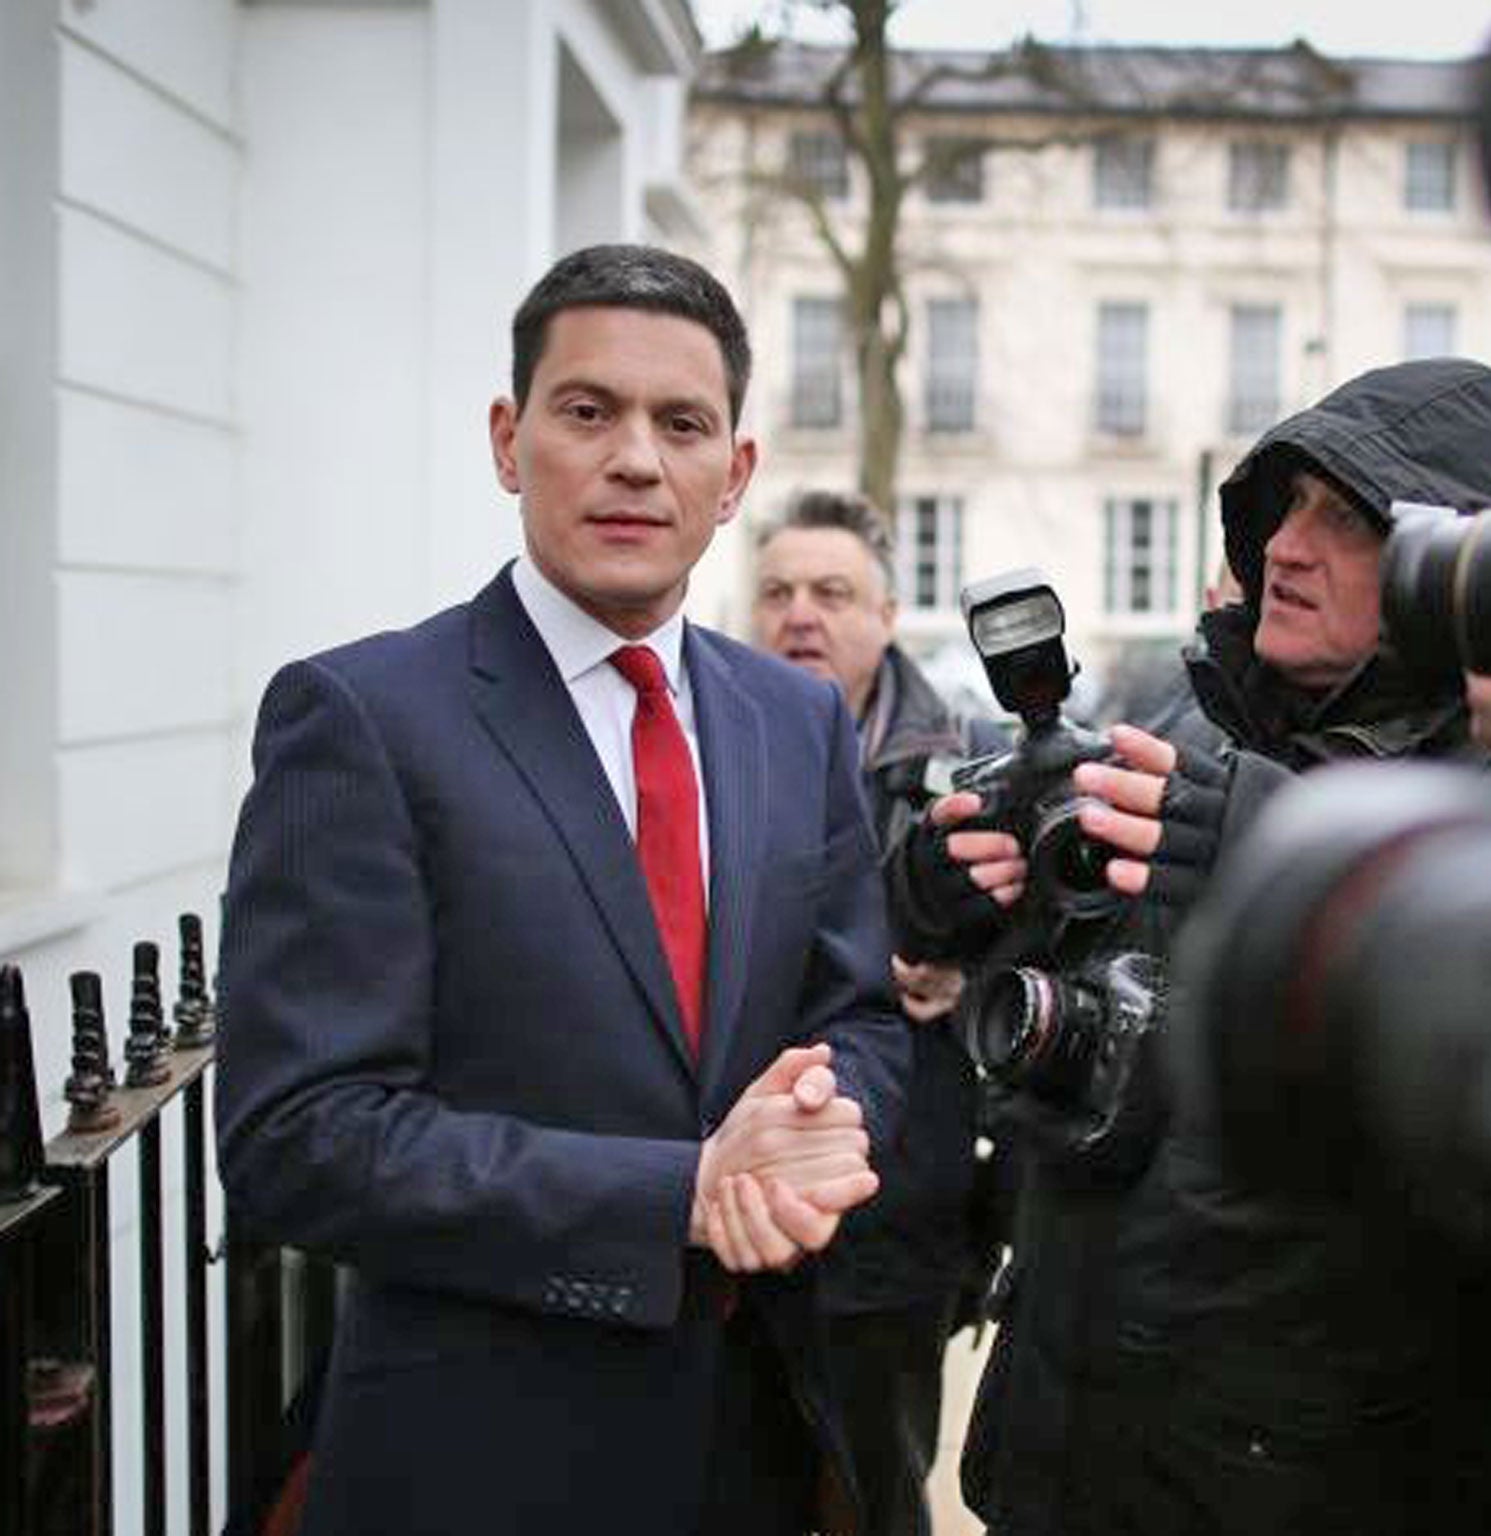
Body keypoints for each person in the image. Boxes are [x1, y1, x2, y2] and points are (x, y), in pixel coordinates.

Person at [214, 245, 907, 1536]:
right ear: (507, 439)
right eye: (588, 412)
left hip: (755, 1447)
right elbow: (294, 1138)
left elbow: (860, 1015)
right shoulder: (361, 717)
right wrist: (678, 1194)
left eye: (682, 423)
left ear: (733, 474)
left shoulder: (797, 721)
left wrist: (815, 1121)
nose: (637, 459)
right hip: (475, 1463)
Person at [895, 358, 1491, 1535]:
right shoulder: (1179, 730)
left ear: (1454, 570)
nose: (1285, 549)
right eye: (1283, 506)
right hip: (1066, 1464)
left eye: (1346, 520)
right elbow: (1049, 1004)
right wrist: (945, 883)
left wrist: (1270, 842)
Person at [749, 489, 1003, 1536]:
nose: (799, 614)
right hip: (727, 1215)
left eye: (831, 592)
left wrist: (965, 987)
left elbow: (1061, 973)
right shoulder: (702, 745)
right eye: (775, 592)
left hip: (894, 1224)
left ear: (887, 615)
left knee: (873, 1494)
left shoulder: (966, 771)